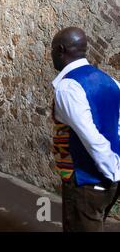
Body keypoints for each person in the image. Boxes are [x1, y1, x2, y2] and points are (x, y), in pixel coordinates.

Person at [51, 27, 120, 231]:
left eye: (52, 50)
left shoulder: (67, 87)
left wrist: (112, 170)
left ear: (61, 50)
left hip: (86, 181)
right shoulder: (110, 81)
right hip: (109, 181)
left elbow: (91, 137)